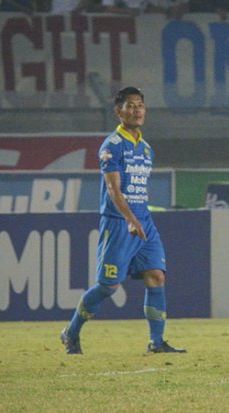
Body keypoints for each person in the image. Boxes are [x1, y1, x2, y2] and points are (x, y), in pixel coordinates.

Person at [60, 87, 186, 355]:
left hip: (144, 221)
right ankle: (71, 332)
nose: (137, 110)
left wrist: (140, 217)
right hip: (119, 223)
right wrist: (129, 219)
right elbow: (113, 190)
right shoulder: (111, 147)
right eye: (130, 106)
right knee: (108, 286)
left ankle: (157, 342)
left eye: (140, 105)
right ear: (118, 112)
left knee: (156, 275)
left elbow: (137, 189)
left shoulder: (147, 149)